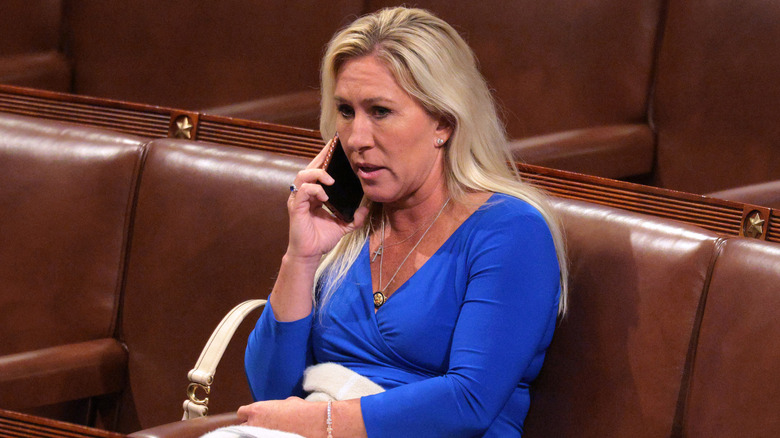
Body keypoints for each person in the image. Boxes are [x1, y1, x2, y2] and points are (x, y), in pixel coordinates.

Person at [238, 6, 568, 437]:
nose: (356, 139)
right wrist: (301, 257)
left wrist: (321, 424)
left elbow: (468, 402)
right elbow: (271, 388)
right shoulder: (349, 227)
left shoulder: (511, 232)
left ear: (444, 123)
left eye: (380, 111)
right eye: (345, 110)